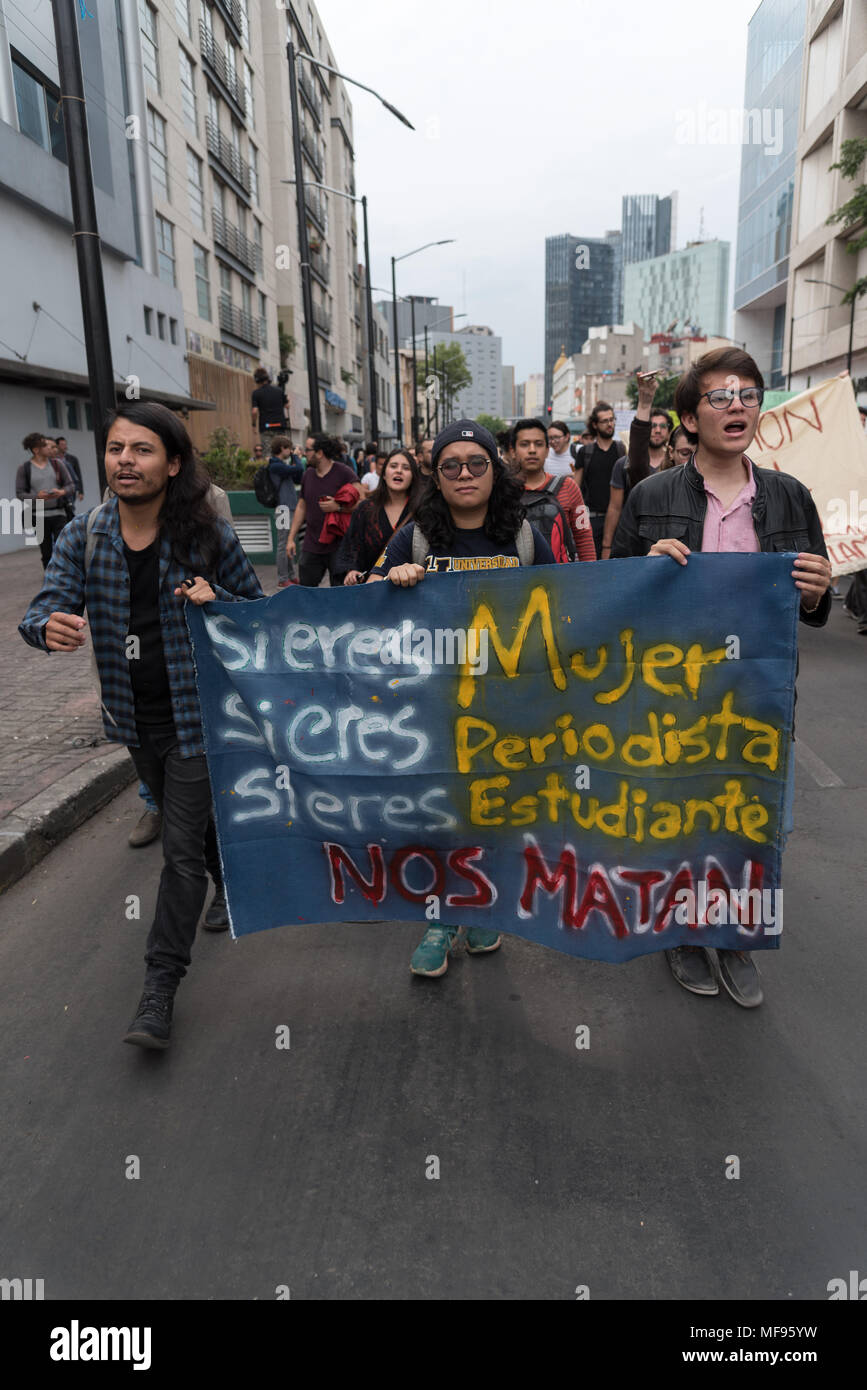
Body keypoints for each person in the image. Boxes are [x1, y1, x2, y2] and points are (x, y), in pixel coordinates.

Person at [19, 402, 263, 1049]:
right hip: (132, 719)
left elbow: (259, 617)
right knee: (195, 825)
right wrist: (48, 627)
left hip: (199, 718)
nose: (126, 460)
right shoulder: (85, 536)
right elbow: (42, 607)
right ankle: (225, 884)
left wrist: (220, 602)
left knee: (176, 848)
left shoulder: (207, 537)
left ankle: (159, 989)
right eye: (117, 448)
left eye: (143, 449)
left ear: (173, 463)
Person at [611, 347, 831, 1008]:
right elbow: (610, 593)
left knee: (748, 819)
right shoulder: (653, 496)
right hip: (674, 694)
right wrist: (643, 565)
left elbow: (810, 605)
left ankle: (734, 936)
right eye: (719, 395)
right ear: (688, 416)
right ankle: (682, 931)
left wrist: (818, 590)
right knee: (678, 814)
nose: (736, 405)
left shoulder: (789, 495)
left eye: (747, 393)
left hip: (756, 694)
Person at [370, 418, 556, 979]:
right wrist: (391, 578)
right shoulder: (417, 536)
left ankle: (479, 905)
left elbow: (572, 600)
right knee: (439, 815)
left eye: (476, 464)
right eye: (451, 466)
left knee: (491, 811)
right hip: (433, 706)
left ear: (493, 472)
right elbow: (363, 609)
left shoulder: (522, 536)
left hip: (504, 704)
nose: (465, 475)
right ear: (437, 476)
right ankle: (438, 918)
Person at [601, 373, 672, 557]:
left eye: (662, 426)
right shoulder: (625, 465)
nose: (657, 430)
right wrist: (607, 546)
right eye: (652, 426)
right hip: (637, 544)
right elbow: (615, 508)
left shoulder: (679, 465)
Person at [510, 417, 596, 562]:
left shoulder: (569, 487)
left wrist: (590, 575)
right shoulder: (503, 491)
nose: (532, 450)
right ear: (513, 451)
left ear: (547, 450)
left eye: (538, 444)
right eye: (524, 444)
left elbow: (584, 537)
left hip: (561, 579)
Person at [285, 433, 364, 587]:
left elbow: (363, 503)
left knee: (339, 593)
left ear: (319, 453)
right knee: (306, 591)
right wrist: (290, 539)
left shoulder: (344, 472)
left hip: (339, 546)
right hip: (311, 544)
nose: (302, 452)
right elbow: (302, 506)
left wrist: (339, 507)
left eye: (307, 449)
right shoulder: (307, 475)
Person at [337, 448, 421, 584]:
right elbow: (351, 545)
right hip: (372, 588)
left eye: (406, 468)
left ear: (413, 476)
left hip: (411, 589)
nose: (399, 471)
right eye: (393, 466)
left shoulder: (423, 510)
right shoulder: (365, 508)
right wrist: (351, 570)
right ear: (383, 474)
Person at [573, 401, 626, 556]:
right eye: (605, 421)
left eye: (612, 420)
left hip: (618, 520)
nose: (610, 424)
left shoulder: (622, 450)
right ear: (595, 425)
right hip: (591, 520)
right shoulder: (585, 452)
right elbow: (576, 487)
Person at [16, 433, 75, 568]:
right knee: (46, 552)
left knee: (64, 549)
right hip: (39, 516)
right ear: (36, 450)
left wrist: (61, 492)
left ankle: (66, 577)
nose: (49, 448)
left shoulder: (57, 464)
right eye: (44, 445)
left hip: (60, 513)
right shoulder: (24, 469)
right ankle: (50, 581)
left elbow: (71, 485)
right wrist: (37, 496)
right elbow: (19, 493)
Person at [266, 435, 304, 588]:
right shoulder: (275, 465)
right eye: (289, 448)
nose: (290, 451)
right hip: (283, 508)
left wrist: (294, 458)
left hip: (289, 507)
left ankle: (291, 575)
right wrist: (295, 456)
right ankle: (283, 578)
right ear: (282, 448)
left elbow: (298, 476)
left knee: (290, 542)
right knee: (283, 543)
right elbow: (299, 468)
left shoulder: (281, 466)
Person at [250, 367, 288, 453]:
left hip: (266, 427)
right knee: (281, 453)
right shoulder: (279, 391)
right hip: (279, 426)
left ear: (257, 380)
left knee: (267, 453)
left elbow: (254, 411)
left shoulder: (256, 393)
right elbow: (287, 405)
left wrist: (253, 425)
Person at [55, 436, 83, 508]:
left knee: (69, 509)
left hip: (69, 490)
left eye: (65, 444)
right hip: (56, 491)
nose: (65, 446)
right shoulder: (52, 460)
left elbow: (77, 476)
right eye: (62, 445)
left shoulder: (71, 460)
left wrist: (80, 491)